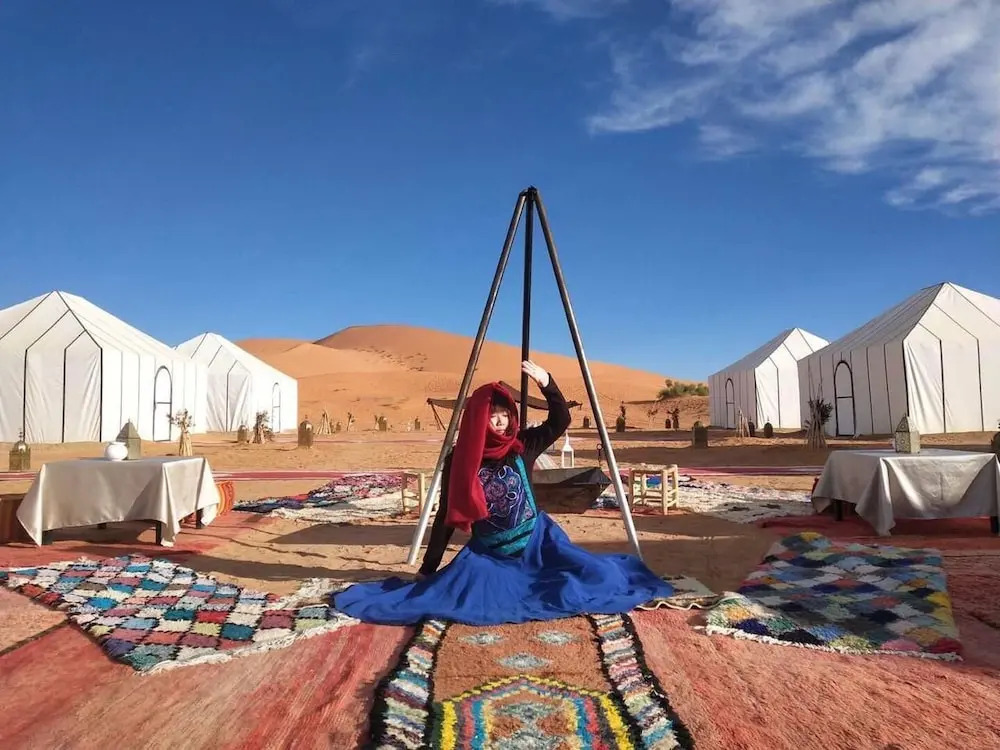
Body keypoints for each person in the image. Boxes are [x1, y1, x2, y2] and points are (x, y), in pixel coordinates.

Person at [332, 360, 673, 626]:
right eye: (492, 417)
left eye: (505, 416)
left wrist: (548, 383)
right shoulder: (460, 460)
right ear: (477, 419)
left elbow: (560, 421)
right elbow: (447, 514)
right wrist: (429, 566)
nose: (500, 423)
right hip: (489, 554)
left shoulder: (522, 445)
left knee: (595, 579)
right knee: (462, 600)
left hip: (540, 544)